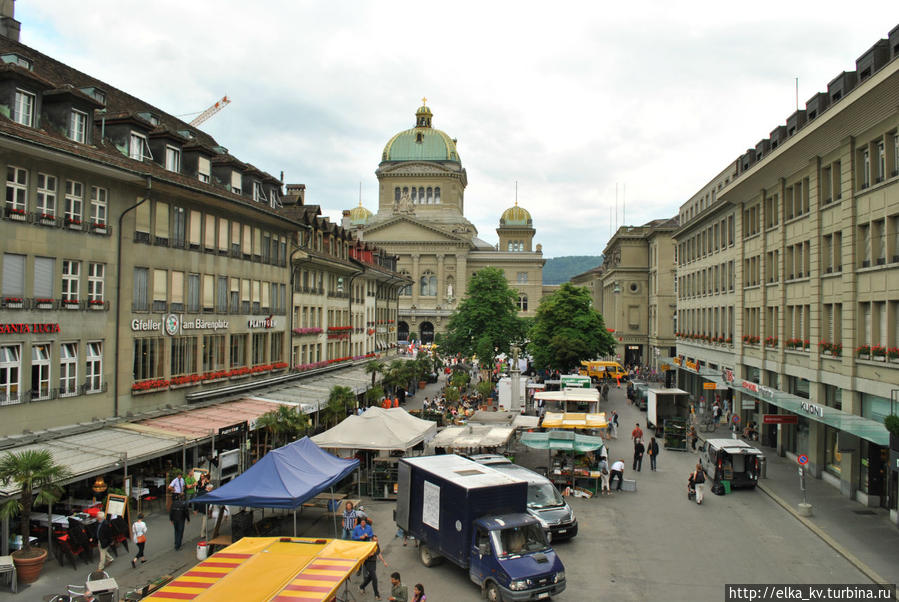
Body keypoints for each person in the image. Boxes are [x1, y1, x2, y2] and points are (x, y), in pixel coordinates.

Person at [359, 534, 388, 600]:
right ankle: (377, 595)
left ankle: (361, 586)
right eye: (375, 540)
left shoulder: (377, 545)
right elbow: (366, 554)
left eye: (377, 540)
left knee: (370, 577)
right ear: (372, 540)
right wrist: (370, 554)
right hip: (368, 563)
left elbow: (379, 553)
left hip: (373, 563)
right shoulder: (369, 546)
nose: (376, 541)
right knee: (374, 578)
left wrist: (384, 562)